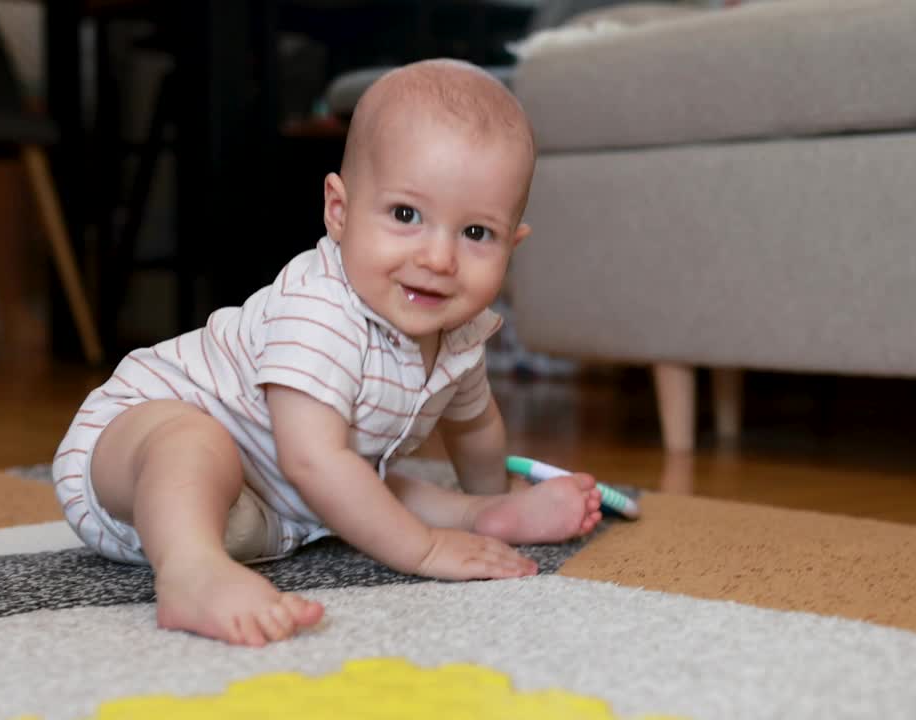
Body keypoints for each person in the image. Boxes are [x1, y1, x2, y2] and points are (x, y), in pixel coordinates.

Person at [51, 59, 603, 647]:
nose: (439, 259)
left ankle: (485, 514)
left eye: (475, 234)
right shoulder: (321, 310)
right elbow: (311, 461)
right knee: (201, 444)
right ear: (338, 211)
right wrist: (424, 548)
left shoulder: (461, 333)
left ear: (512, 244)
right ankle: (190, 569)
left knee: (375, 485)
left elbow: (476, 427)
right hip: (130, 457)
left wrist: (484, 493)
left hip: (274, 507)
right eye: (406, 215)